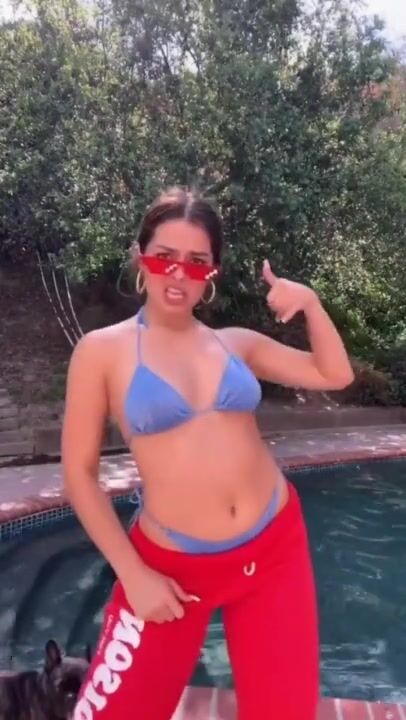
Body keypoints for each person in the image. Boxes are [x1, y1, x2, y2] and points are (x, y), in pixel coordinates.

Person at [63, 186, 354, 720]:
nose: (178, 274)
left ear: (211, 273)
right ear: (140, 258)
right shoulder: (101, 352)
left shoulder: (234, 343)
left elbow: (333, 373)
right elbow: (79, 475)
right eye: (164, 257)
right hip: (171, 569)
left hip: (274, 548)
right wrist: (132, 573)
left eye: (197, 262)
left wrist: (310, 303)